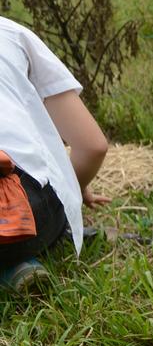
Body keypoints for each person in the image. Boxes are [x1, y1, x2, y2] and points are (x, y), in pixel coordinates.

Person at [0, 16, 110, 293]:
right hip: (29, 213)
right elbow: (92, 146)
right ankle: (17, 262)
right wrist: (73, 186)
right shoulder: (11, 34)